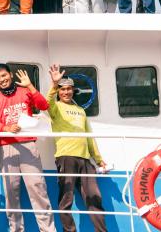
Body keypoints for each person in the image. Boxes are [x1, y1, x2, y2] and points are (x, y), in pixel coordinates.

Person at [0, 64, 56, 232]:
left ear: (10, 74)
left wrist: (30, 85)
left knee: (38, 189)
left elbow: (43, 105)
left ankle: (48, 230)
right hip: (6, 147)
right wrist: (5, 129)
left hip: (28, 146)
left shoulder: (24, 91)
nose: (2, 80)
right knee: (11, 193)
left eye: (4, 75)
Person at [46, 64, 107, 232]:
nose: (66, 92)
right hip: (66, 157)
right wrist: (53, 84)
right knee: (66, 199)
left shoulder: (81, 110)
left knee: (94, 198)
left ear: (73, 90)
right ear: (59, 91)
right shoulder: (56, 108)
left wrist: (99, 160)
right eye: (62, 89)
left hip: (85, 159)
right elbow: (46, 102)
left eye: (69, 89)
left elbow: (89, 137)